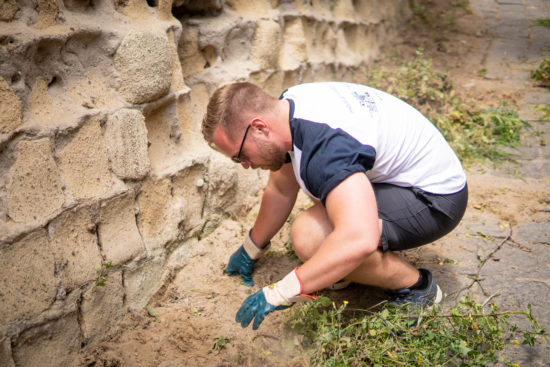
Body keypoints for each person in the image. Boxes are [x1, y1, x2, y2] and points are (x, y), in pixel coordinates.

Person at [201, 81, 468, 330]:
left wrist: (282, 291)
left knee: (311, 238)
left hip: (434, 199)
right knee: (318, 209)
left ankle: (418, 287)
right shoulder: (287, 108)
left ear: (259, 127)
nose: (245, 165)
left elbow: (359, 239)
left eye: (241, 156)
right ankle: (349, 269)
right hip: (405, 177)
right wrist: (251, 247)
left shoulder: (326, 152)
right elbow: (281, 188)